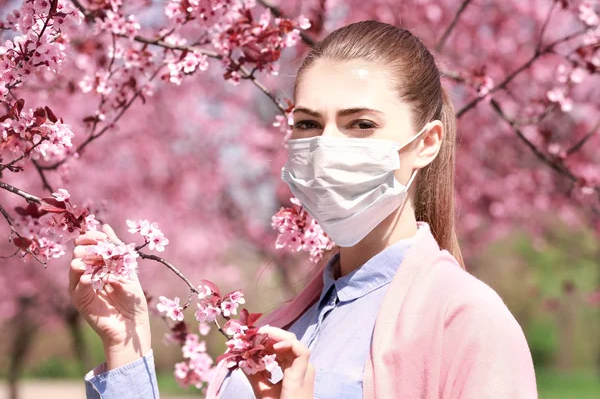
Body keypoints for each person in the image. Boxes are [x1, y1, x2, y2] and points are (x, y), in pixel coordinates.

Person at [70, 20, 538, 399]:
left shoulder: (465, 322)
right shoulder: (279, 327)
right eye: (309, 124)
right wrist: (127, 344)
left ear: (427, 143)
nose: (327, 145)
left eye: (361, 124)